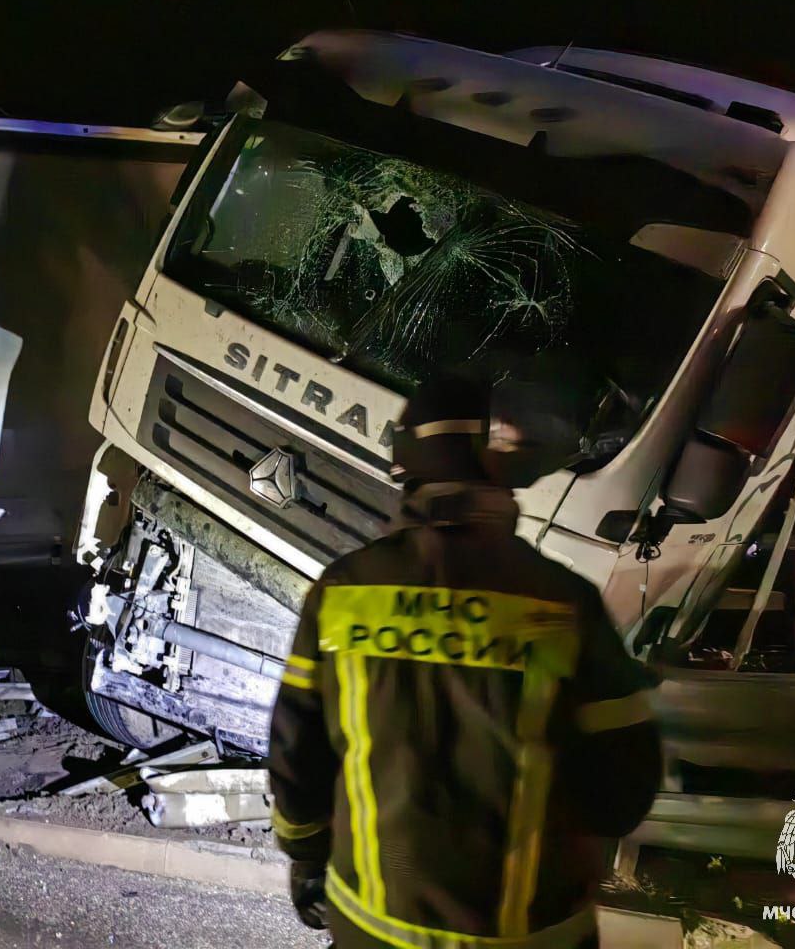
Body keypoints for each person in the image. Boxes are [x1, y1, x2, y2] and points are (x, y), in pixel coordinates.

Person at [267, 365, 662, 948]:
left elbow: (296, 756)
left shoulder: (344, 592)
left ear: (406, 470)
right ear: (503, 467)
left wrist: (305, 856)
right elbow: (624, 791)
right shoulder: (562, 603)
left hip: (376, 930)